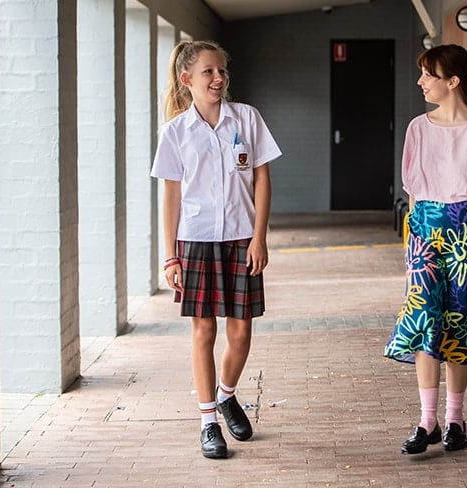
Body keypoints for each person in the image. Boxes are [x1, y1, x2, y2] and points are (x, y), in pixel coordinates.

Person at [151, 40, 282, 459]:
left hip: (242, 239)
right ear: (187, 79)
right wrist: (170, 254)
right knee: (204, 331)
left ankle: (227, 395)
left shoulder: (247, 118)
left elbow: (262, 180)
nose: (218, 78)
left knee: (241, 332)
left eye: (222, 71)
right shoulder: (175, 132)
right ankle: (208, 420)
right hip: (195, 241)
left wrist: (259, 237)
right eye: (208, 72)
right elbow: (171, 198)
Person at [384, 44, 467, 455]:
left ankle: (455, 418)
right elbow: (414, 192)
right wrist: (413, 248)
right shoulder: (418, 128)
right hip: (425, 234)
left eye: (429, 75)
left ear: (453, 81)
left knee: (459, 324)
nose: (421, 82)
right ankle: (427, 420)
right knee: (425, 320)